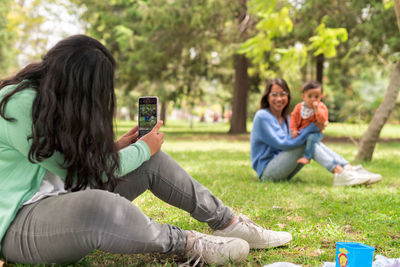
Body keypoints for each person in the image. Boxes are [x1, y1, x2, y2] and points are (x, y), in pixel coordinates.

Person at [0, 35, 292, 266]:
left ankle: (228, 223)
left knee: (151, 161)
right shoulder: (20, 104)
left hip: (62, 199)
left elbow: (61, 164)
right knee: (103, 204)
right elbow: (81, 173)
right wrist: (141, 148)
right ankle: (187, 244)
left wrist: (120, 149)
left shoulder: (49, 98)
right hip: (19, 224)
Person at [250, 78, 382, 186]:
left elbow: (297, 139)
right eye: (274, 94)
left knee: (310, 139)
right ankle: (340, 171)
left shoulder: (286, 119)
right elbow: (284, 144)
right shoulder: (262, 116)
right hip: (267, 172)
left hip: (284, 168)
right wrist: (313, 127)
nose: (279, 99)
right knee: (306, 140)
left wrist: (315, 128)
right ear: (267, 97)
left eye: (283, 94)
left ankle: (347, 168)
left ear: (288, 96)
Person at [290, 80, 328, 165]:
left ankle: (307, 157)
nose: (313, 99)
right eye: (310, 96)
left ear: (321, 97)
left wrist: (317, 110)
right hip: (301, 132)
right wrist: (293, 129)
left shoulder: (321, 107)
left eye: (316, 97)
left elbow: (323, 121)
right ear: (303, 96)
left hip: (316, 133)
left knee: (311, 139)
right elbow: (293, 118)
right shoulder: (299, 107)